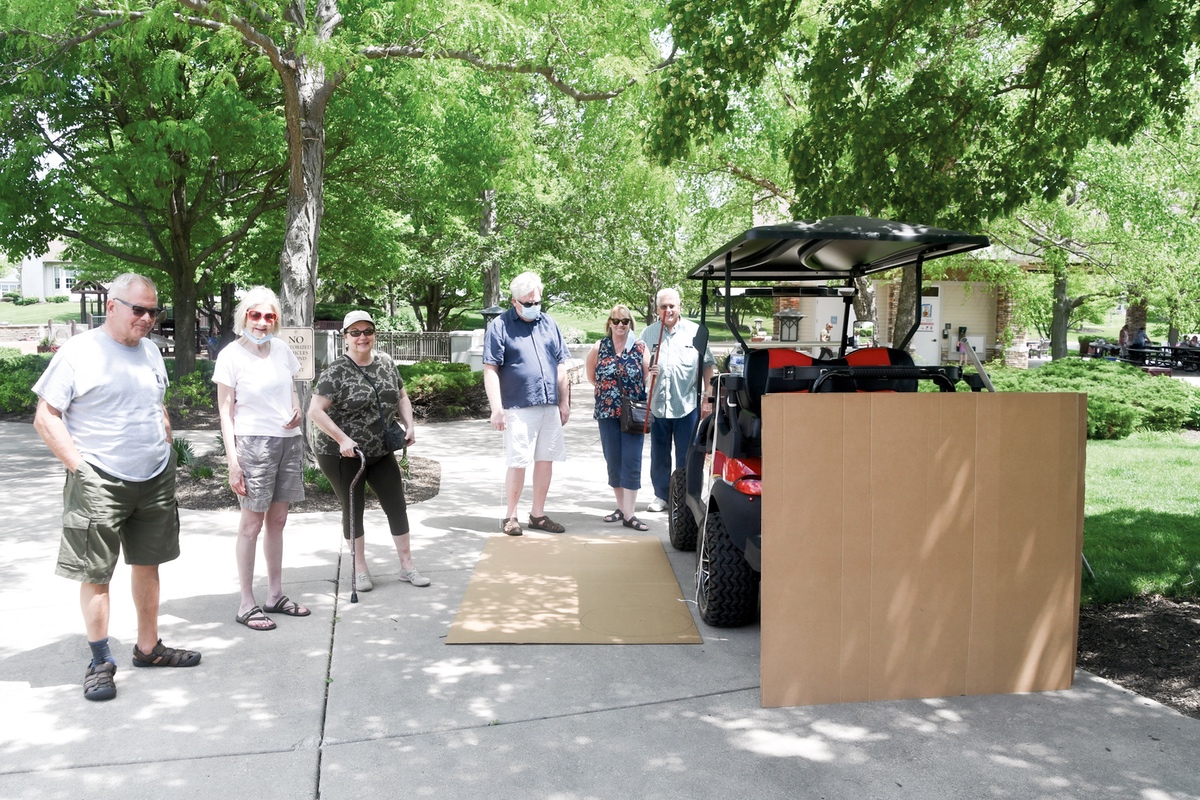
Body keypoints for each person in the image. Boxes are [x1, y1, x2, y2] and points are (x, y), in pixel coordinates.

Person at [32, 273, 201, 702]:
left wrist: (164, 435)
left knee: (149, 563)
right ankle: (99, 660)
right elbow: (46, 416)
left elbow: (155, 400)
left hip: (154, 476)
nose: (147, 319)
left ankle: (149, 649)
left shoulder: (149, 351)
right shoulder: (79, 352)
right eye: (138, 309)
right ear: (112, 306)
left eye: (153, 311)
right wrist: (79, 469)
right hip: (99, 479)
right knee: (96, 574)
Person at [307, 311, 429, 590]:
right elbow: (315, 411)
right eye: (355, 332)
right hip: (341, 453)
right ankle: (360, 569)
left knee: (396, 505)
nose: (362, 337)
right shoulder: (336, 371)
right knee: (354, 509)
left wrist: (410, 425)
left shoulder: (386, 362)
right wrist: (342, 439)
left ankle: (407, 567)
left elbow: (402, 396)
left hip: (380, 449)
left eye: (367, 331)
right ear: (345, 337)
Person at [213, 286, 309, 632]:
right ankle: (246, 603)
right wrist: (233, 461)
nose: (262, 322)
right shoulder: (230, 356)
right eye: (256, 315)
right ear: (244, 316)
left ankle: (275, 595)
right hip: (253, 444)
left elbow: (293, 389)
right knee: (251, 525)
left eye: (270, 316)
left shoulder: (282, 350)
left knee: (278, 521)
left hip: (288, 441)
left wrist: (297, 410)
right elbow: (225, 413)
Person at [483, 271, 571, 536]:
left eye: (537, 302)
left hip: (549, 405)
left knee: (546, 459)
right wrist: (496, 408)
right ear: (514, 301)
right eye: (528, 303)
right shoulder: (500, 326)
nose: (534, 307)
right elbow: (490, 369)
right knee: (518, 460)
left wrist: (564, 402)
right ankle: (511, 516)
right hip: (517, 406)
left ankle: (538, 514)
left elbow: (561, 365)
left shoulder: (549, 324)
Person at [640, 288, 715, 513]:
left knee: (688, 454)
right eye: (663, 306)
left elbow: (708, 366)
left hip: (687, 404)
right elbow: (640, 368)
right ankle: (661, 496)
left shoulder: (697, 332)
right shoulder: (648, 334)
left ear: (679, 307)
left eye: (672, 306)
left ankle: (685, 498)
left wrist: (708, 398)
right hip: (658, 403)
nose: (668, 310)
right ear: (657, 309)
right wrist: (647, 374)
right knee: (659, 453)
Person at [585, 304, 651, 531]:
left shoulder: (641, 347)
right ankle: (621, 508)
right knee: (613, 459)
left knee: (631, 459)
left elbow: (645, 380)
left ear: (630, 324)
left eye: (625, 321)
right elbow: (591, 375)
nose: (620, 325)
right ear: (609, 323)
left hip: (632, 413)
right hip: (606, 411)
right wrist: (607, 392)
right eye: (616, 321)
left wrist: (654, 375)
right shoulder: (599, 346)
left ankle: (630, 514)